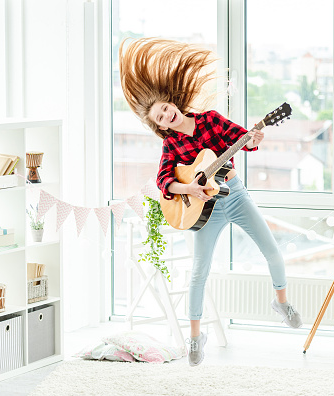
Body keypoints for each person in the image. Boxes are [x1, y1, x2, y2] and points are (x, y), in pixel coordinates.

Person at [119, 37, 302, 366]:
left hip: (235, 195)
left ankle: (281, 301)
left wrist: (254, 137)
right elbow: (163, 182)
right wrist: (189, 190)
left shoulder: (210, 120)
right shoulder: (171, 147)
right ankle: (194, 337)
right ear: (160, 126)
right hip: (205, 211)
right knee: (199, 272)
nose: (167, 115)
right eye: (161, 118)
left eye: (166, 108)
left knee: (272, 250)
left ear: (173, 103)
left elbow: (240, 139)